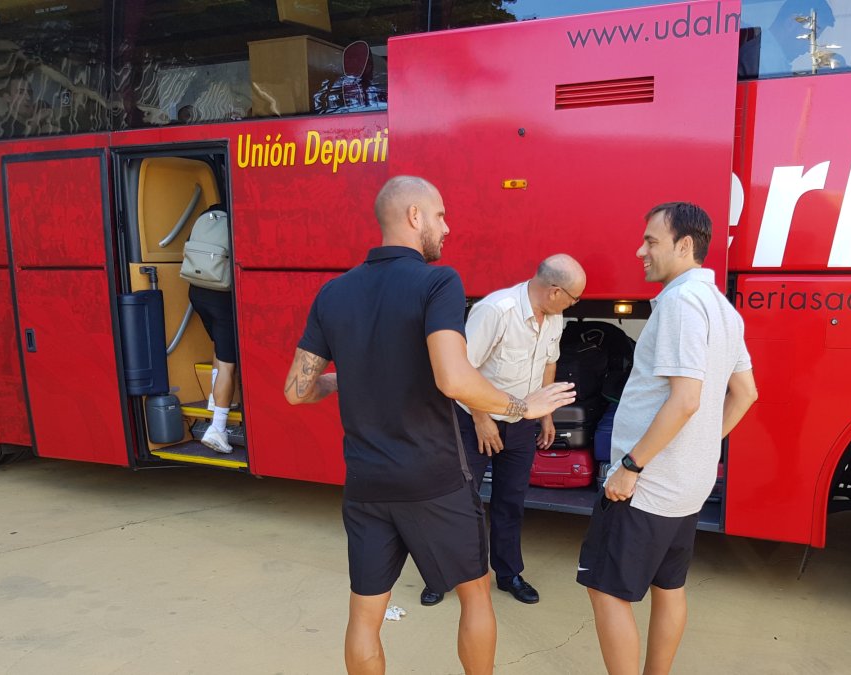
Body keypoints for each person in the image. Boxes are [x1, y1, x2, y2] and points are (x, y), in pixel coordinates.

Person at [283, 175, 575, 675]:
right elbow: (454, 378)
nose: (447, 226)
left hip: (366, 483)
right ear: (414, 217)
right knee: (477, 595)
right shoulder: (437, 282)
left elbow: (297, 390)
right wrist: (521, 407)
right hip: (433, 478)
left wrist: (345, 380)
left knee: (365, 615)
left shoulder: (333, 293)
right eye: (440, 215)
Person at [577, 202, 758, 675]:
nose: (641, 250)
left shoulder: (680, 303)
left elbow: (685, 400)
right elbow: (746, 394)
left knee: (607, 591)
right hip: (687, 484)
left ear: (684, 246)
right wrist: (697, 448)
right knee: (668, 586)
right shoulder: (723, 308)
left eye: (651, 241)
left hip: (648, 485)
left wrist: (631, 468)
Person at [420, 254, 587, 608]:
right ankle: (441, 575)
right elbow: (462, 369)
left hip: (523, 422)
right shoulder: (496, 310)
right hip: (476, 422)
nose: (575, 304)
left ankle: (508, 573)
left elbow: (549, 361)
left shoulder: (554, 317)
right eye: (574, 298)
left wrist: (545, 414)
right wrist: (482, 419)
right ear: (555, 291)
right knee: (460, 504)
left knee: (510, 503)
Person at [189, 204, 238, 454]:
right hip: (222, 296)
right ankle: (218, 429)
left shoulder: (207, 214)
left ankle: (216, 402)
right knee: (228, 362)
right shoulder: (237, 218)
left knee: (220, 348)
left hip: (198, 291)